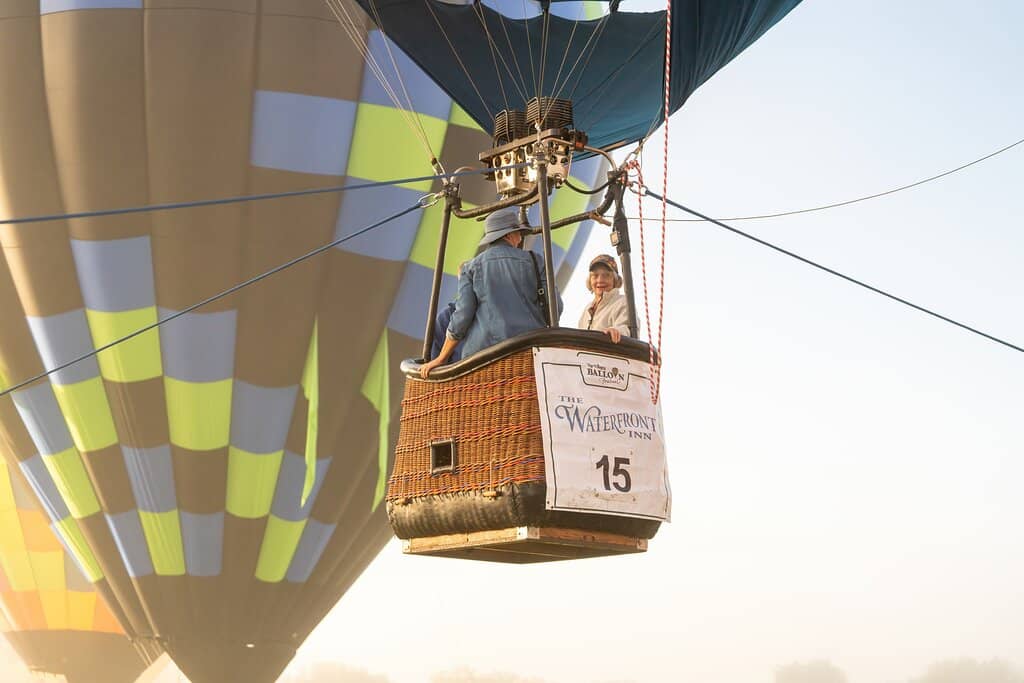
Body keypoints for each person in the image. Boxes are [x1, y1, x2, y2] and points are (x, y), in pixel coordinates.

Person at [420, 208, 560, 377]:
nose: (520, 238)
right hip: (529, 354)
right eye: (518, 233)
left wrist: (441, 358)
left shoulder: (470, 268)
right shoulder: (535, 261)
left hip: (482, 360)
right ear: (508, 235)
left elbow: (462, 316)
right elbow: (556, 307)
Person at [579, 254, 630, 343]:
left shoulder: (623, 302)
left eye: (606, 275)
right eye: (595, 275)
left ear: (615, 280)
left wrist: (616, 331)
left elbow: (627, 328)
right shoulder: (587, 309)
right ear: (590, 281)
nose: (600, 280)